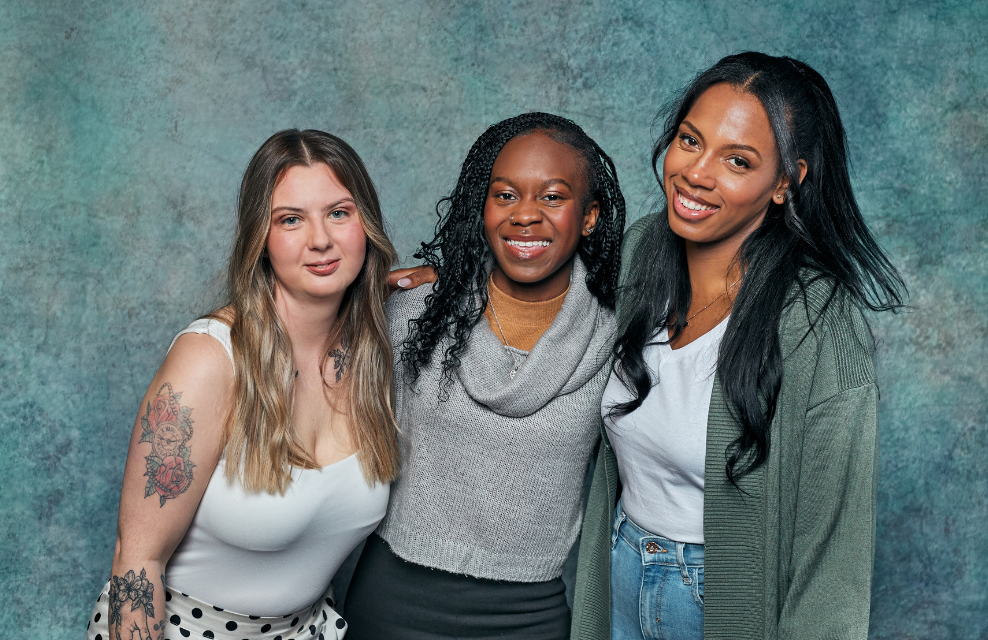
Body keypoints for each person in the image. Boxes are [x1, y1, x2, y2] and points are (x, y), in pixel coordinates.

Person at [571, 52, 907, 639]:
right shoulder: (642, 251)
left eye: (737, 160)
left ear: (785, 182)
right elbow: (544, 294)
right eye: (689, 140)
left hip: (718, 602)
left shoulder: (820, 323)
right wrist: (450, 285)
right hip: (622, 571)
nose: (696, 173)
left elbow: (833, 557)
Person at [85, 129, 399, 640]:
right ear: (261, 237)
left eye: (339, 213)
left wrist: (425, 279)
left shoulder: (373, 352)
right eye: (291, 220)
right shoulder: (210, 360)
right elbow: (136, 560)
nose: (320, 239)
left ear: (366, 224)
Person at [343, 112, 626, 639]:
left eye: (552, 197)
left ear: (589, 217)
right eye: (505, 195)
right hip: (390, 603)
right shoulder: (415, 311)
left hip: (528, 619)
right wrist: (359, 294)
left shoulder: (617, 342)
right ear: (483, 207)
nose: (525, 215)